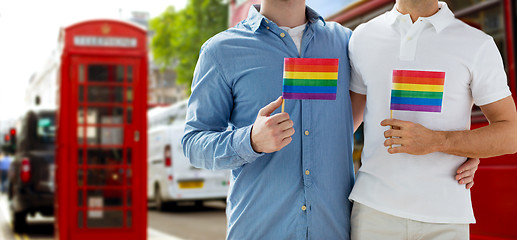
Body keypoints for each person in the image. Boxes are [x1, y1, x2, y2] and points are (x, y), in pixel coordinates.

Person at [182, 0, 477, 239]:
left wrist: (458, 148)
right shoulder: (221, 51)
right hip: (259, 229)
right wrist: (250, 140)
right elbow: (193, 143)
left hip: (333, 230)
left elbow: (399, 100)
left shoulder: (347, 43)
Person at [348, 0, 517, 239]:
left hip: (446, 218)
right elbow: (344, 125)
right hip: (373, 213)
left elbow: (510, 135)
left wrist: (439, 141)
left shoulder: (477, 44)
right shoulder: (363, 37)